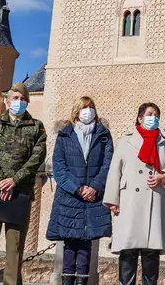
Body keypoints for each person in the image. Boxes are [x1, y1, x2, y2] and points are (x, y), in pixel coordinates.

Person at [0, 82, 48, 285]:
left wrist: (14, 181)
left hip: (20, 192)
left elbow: (37, 157)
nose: (19, 102)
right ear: (7, 102)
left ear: (28, 102)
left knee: (15, 248)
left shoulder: (36, 127)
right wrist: (1, 182)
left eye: (23, 99)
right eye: (15, 98)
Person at [103, 103, 165, 285]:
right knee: (128, 252)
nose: (153, 117)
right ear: (140, 118)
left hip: (155, 202)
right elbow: (115, 171)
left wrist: (164, 176)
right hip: (129, 203)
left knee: (151, 253)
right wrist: (112, 200)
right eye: (149, 114)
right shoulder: (126, 141)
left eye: (156, 115)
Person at [46, 97, 114, 285]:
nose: (88, 110)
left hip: (93, 197)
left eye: (92, 107)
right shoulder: (65, 135)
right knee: (69, 245)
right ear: (77, 110)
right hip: (70, 197)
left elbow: (108, 164)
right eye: (85, 107)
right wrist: (77, 188)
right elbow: (59, 166)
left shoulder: (103, 135)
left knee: (86, 245)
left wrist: (95, 187)